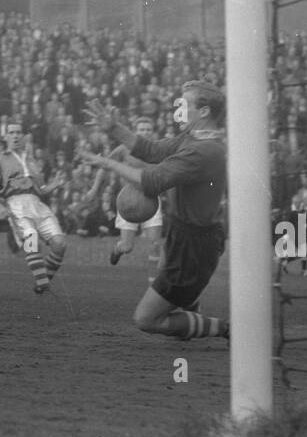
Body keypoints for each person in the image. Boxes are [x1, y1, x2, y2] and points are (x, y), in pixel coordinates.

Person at [81, 81, 229, 341]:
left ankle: (225, 328)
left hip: (194, 245)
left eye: (183, 105)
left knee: (146, 319)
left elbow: (150, 181)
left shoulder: (204, 152)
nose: (178, 110)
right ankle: (189, 309)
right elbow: (151, 151)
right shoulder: (193, 137)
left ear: (204, 111)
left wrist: (107, 163)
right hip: (183, 232)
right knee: (178, 298)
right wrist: (114, 128)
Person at [0, 121, 67, 293]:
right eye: (11, 132)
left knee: (60, 244)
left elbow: (40, 190)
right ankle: (43, 285)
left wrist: (54, 185)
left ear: (23, 136)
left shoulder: (32, 159)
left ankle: (43, 281)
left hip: (37, 203)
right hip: (16, 203)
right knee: (32, 240)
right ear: (5, 137)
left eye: (19, 132)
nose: (16, 135)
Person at [104, 116, 165, 283]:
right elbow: (105, 164)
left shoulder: (159, 150)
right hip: (128, 201)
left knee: (155, 243)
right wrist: (94, 189)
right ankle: (118, 250)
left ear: (153, 132)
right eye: (142, 129)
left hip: (151, 200)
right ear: (135, 131)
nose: (145, 132)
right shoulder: (124, 149)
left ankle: (153, 283)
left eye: (148, 129)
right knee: (127, 247)